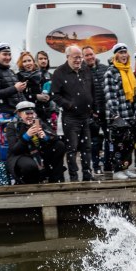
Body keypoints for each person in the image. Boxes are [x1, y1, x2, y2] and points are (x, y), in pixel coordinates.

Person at [51, 45, 95, 182]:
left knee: (87, 147)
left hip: (86, 116)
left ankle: (87, 174)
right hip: (70, 118)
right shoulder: (59, 72)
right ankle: (74, 177)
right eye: (75, 57)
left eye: (80, 57)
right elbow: (55, 95)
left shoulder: (85, 69)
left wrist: (93, 107)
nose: (79, 60)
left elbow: (92, 89)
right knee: (72, 149)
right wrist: (69, 105)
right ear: (67, 57)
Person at [104, 42, 136, 180]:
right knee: (118, 145)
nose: (123, 55)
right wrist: (116, 115)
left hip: (130, 114)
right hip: (118, 116)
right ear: (116, 55)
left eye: (125, 52)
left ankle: (125, 168)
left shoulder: (129, 71)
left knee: (129, 144)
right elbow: (110, 96)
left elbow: (134, 94)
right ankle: (116, 170)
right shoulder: (111, 72)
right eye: (120, 53)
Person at [5, 100, 66, 184]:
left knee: (59, 145)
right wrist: (26, 136)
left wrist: (46, 137)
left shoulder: (38, 122)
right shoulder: (12, 126)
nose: (30, 116)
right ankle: (31, 184)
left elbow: (55, 137)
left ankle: (55, 180)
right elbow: (14, 150)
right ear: (19, 114)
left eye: (32, 113)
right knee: (29, 166)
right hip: (20, 155)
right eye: (27, 113)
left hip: (38, 152)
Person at [0, 43, 26, 161]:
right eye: (4, 54)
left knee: (18, 146)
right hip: (3, 116)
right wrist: (15, 88)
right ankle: (8, 175)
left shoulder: (10, 71)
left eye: (9, 54)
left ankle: (17, 173)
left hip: (15, 114)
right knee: (6, 148)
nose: (8, 57)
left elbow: (17, 94)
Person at [83, 46, 110, 173]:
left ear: (95, 54)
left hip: (107, 111)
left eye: (91, 54)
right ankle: (96, 166)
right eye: (86, 55)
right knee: (94, 141)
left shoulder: (105, 68)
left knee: (109, 138)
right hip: (92, 113)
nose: (89, 57)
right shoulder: (82, 71)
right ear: (83, 57)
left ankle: (108, 164)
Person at [16, 52, 51, 126]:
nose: (28, 63)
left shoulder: (40, 75)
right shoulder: (18, 77)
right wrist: (36, 96)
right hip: (27, 113)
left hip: (44, 111)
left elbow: (48, 90)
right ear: (21, 64)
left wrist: (48, 97)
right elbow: (20, 95)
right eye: (24, 61)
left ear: (33, 62)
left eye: (29, 60)